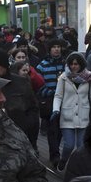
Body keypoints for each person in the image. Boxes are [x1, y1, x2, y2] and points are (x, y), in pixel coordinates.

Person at [51, 52, 91, 171]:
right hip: (67, 115)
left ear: (81, 64)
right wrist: (56, 110)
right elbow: (58, 96)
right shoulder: (63, 77)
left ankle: (79, 168)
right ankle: (63, 160)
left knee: (81, 146)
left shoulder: (89, 77)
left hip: (84, 114)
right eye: (71, 64)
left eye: (76, 64)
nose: (73, 66)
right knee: (69, 144)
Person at [0, 49, 38, 148]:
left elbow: (33, 107)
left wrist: (28, 124)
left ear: (4, 65)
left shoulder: (21, 83)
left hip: (19, 135)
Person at [36, 39, 66, 168]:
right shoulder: (42, 65)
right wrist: (51, 92)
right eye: (54, 47)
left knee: (59, 129)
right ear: (49, 49)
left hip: (64, 101)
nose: (56, 49)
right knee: (52, 128)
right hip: (49, 101)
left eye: (58, 47)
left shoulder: (66, 64)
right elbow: (38, 85)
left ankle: (56, 153)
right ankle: (54, 155)